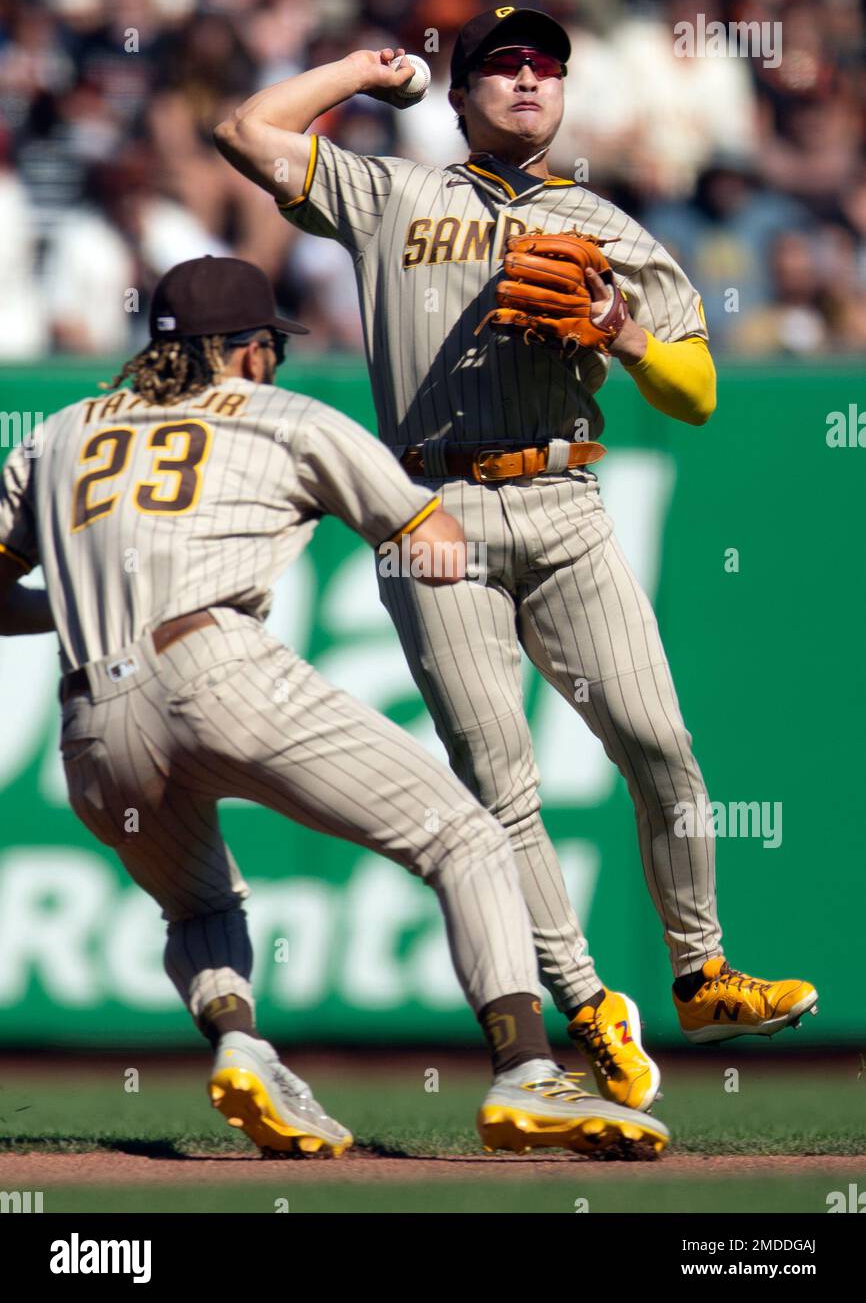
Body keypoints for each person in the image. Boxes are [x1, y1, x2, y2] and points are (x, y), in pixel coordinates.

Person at [214, 6, 818, 1107]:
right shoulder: (395, 192)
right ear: (460, 96)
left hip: (562, 497)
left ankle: (699, 968)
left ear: (564, 91)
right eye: (499, 67)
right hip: (432, 507)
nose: (526, 79)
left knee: (658, 744)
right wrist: (362, 69)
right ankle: (587, 1002)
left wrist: (623, 333)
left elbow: (696, 395)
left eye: (544, 65)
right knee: (501, 786)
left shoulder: (605, 225)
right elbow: (245, 129)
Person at [0, 255, 669, 1160]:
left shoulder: (62, 430)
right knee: (466, 837)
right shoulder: (286, 417)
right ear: (242, 351)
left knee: (197, 910)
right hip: (216, 668)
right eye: (268, 343)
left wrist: (81, 607)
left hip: (89, 717)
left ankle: (240, 1043)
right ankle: (526, 1074)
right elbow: (430, 545)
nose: (272, 358)